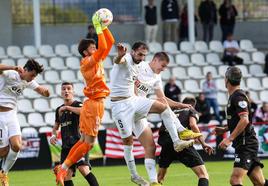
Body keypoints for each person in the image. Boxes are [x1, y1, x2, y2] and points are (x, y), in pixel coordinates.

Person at [110, 44, 201, 185]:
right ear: (155, 60)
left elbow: (162, 99)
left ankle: (154, 181)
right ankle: (134, 175)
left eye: (144, 55)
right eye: (162, 65)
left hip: (136, 105)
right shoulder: (137, 64)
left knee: (151, 146)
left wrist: (180, 105)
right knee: (128, 143)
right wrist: (120, 55)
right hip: (123, 107)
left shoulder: (156, 76)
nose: (163, 69)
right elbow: (119, 62)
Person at [55, 12, 115, 186]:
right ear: (85, 52)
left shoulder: (95, 60)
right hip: (93, 104)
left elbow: (108, 43)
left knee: (84, 142)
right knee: (88, 144)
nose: (96, 48)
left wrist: (105, 27)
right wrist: (98, 28)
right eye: (92, 47)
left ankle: (63, 167)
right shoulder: (87, 61)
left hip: (96, 103)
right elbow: (103, 47)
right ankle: (64, 167)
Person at [215, 66, 268, 186]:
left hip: (246, 144)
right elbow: (239, 120)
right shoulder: (234, 96)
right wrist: (225, 128)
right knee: (259, 182)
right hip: (245, 143)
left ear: (226, 79)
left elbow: (244, 120)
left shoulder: (238, 97)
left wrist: (229, 139)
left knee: (235, 180)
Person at [0, 59, 50, 186]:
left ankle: (3, 173)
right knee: (3, 152)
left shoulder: (28, 81)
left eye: (35, 76)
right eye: (32, 74)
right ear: (25, 70)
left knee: (17, 146)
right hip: (0, 116)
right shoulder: (11, 74)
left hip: (11, 115)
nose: (33, 78)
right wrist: (13, 67)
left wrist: (46, 92)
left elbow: (40, 89)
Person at [50, 82, 99, 186]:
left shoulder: (78, 104)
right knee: (66, 175)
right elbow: (56, 126)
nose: (66, 91)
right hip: (66, 146)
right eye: (63, 89)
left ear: (73, 91)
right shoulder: (59, 109)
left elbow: (84, 112)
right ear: (61, 92)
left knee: (83, 168)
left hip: (80, 143)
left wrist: (67, 108)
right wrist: (54, 135)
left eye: (69, 89)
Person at [157, 97, 214, 186]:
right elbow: (193, 125)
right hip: (182, 142)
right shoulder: (191, 110)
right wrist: (203, 143)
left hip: (166, 143)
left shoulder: (171, 111)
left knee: (159, 178)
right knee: (203, 175)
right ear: (192, 105)